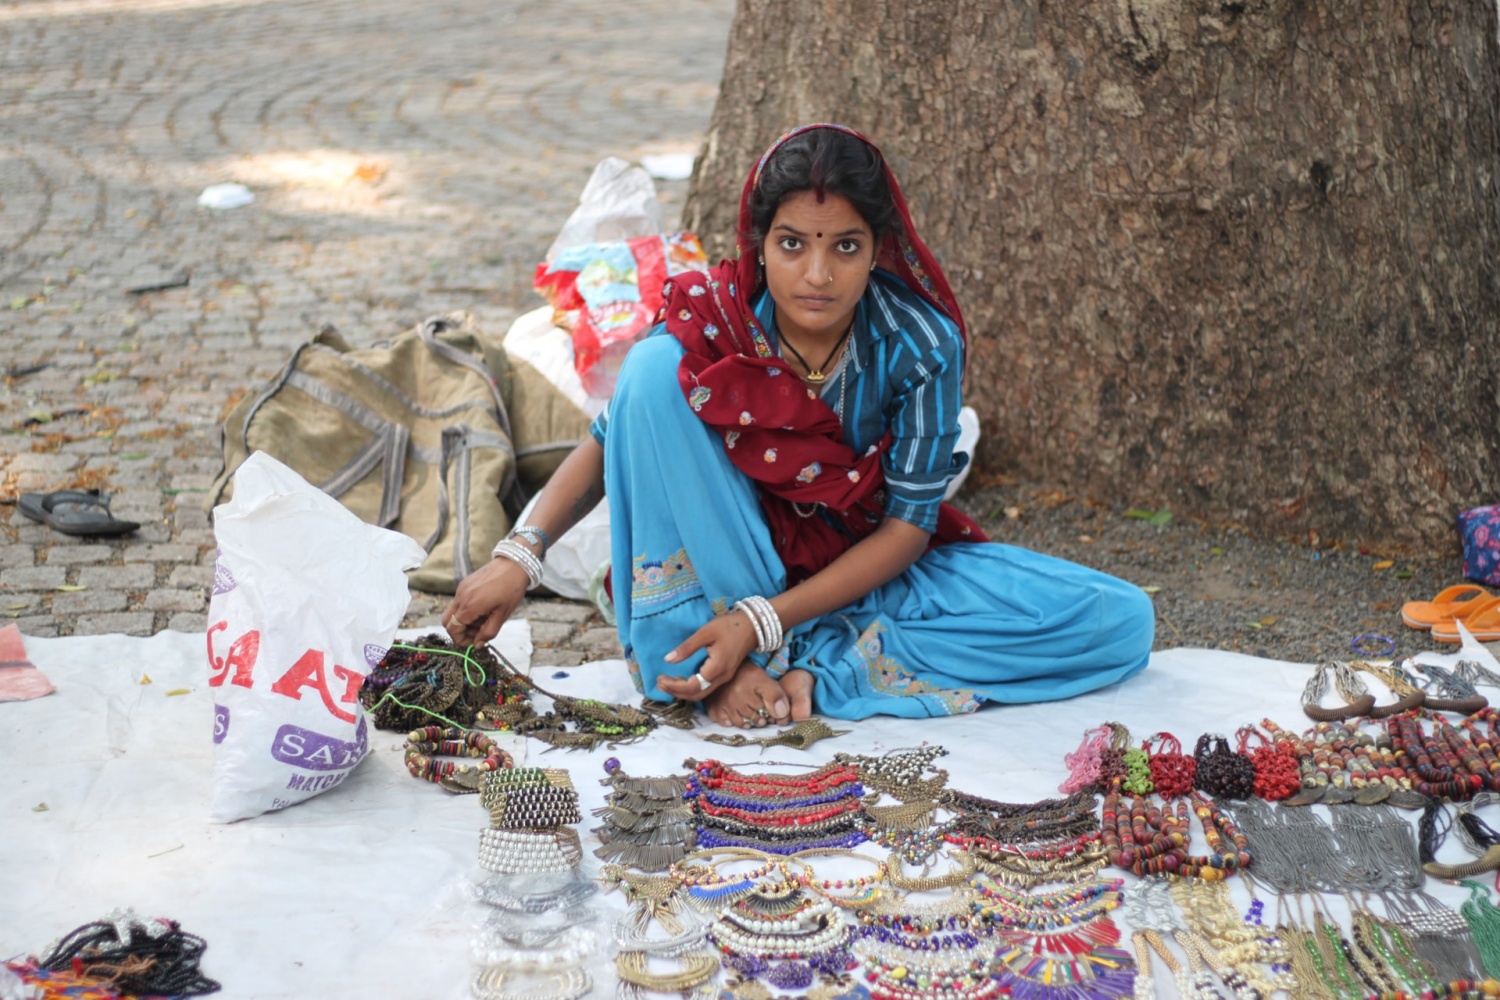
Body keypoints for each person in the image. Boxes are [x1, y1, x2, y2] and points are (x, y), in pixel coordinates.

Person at [444, 124, 1154, 729]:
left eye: (844, 247)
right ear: (758, 244)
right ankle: (711, 658)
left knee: (1119, 621)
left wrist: (763, 621)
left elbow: (907, 529)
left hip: (857, 568)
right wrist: (519, 558)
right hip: (734, 554)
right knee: (653, 373)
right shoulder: (719, 318)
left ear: (879, 247)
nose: (817, 275)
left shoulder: (920, 343)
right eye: (792, 245)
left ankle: (815, 664)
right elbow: (614, 441)